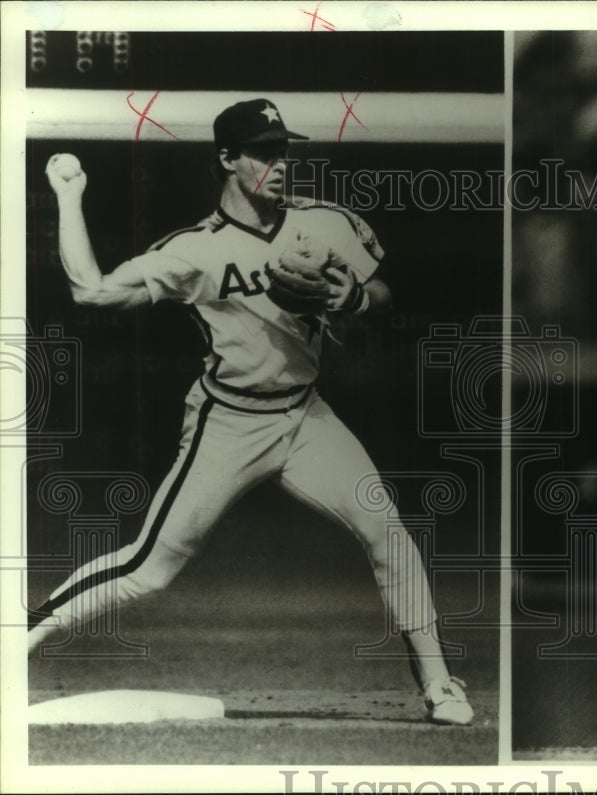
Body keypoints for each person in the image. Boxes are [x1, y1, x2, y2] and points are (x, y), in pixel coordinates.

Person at [29, 98, 473, 726]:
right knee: (146, 569)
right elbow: (91, 289)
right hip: (228, 421)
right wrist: (69, 196)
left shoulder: (326, 223)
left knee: (389, 533)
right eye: (263, 152)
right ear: (228, 159)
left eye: (283, 150)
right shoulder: (194, 249)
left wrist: (356, 300)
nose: (279, 163)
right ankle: (17, 636)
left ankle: (439, 685)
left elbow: (384, 290)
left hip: (304, 414)